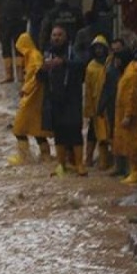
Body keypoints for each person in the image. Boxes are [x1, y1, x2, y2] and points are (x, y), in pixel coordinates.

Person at [39, 24, 87, 177]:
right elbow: (39, 78)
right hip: (55, 99)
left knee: (74, 131)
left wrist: (63, 62)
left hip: (72, 98)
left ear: (65, 37)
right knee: (59, 133)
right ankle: (61, 165)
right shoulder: (47, 53)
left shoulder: (73, 50)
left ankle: (80, 164)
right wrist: (43, 69)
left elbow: (81, 64)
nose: (56, 38)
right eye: (54, 35)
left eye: (59, 35)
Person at [7, 32, 53, 165]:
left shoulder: (34, 56)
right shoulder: (30, 56)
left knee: (19, 128)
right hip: (33, 97)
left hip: (34, 97)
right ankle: (45, 157)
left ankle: (25, 158)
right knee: (36, 129)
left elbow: (38, 76)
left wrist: (25, 89)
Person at [112, 45, 137, 185]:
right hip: (124, 113)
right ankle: (133, 171)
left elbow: (131, 96)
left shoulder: (131, 75)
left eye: (117, 60)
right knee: (128, 142)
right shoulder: (127, 72)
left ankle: (136, 172)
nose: (115, 63)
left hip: (130, 116)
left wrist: (128, 115)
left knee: (133, 143)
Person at [99, 38, 126, 176]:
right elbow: (106, 85)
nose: (116, 53)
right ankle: (118, 165)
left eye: (119, 50)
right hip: (112, 104)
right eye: (114, 50)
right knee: (113, 135)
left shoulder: (129, 65)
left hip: (124, 105)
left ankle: (126, 166)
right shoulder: (109, 64)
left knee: (125, 135)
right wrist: (101, 105)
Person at [84, 35, 111, 170]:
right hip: (96, 106)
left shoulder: (110, 64)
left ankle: (105, 162)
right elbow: (88, 89)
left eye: (101, 48)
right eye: (96, 48)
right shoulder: (90, 67)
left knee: (106, 134)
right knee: (94, 133)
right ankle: (89, 158)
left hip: (109, 105)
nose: (99, 50)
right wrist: (88, 109)